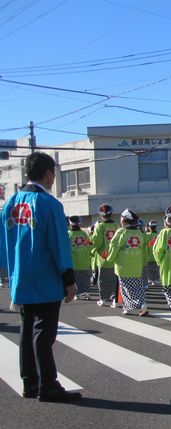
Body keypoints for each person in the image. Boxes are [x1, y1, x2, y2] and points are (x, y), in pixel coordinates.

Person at [0, 152, 80, 401]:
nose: (54, 178)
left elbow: (4, 244)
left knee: (27, 330)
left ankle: (30, 382)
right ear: (47, 173)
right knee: (44, 333)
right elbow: (59, 245)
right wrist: (68, 280)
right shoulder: (49, 204)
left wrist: (10, 271)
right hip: (45, 277)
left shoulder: (11, 202)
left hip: (20, 277)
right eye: (54, 173)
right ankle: (48, 384)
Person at [106, 209, 149, 317]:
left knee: (125, 288)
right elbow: (144, 249)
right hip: (137, 264)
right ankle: (131, 306)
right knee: (137, 286)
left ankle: (139, 305)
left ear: (124, 220)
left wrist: (110, 259)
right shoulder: (139, 232)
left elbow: (114, 246)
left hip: (123, 265)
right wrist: (144, 261)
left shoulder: (121, 232)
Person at [91, 203, 119, 307]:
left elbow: (97, 242)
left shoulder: (100, 226)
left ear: (101, 215)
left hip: (103, 257)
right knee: (115, 279)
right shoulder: (116, 225)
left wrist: (93, 249)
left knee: (103, 279)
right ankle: (115, 299)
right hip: (115, 257)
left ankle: (103, 299)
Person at [67, 216, 92, 300]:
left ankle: (77, 294)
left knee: (75, 279)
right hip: (84, 259)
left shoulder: (69, 234)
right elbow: (90, 244)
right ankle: (87, 293)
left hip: (73, 260)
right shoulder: (84, 234)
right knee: (85, 278)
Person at [143, 220, 160, 286]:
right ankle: (156, 280)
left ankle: (151, 279)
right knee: (156, 269)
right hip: (156, 257)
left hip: (148, 256)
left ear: (149, 227)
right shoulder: (159, 235)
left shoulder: (147, 235)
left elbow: (145, 245)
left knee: (149, 270)